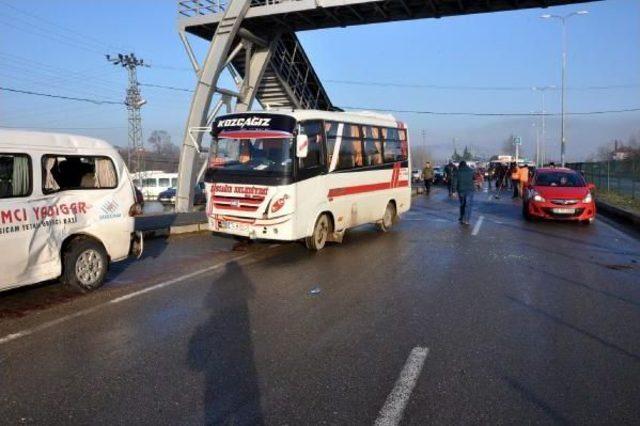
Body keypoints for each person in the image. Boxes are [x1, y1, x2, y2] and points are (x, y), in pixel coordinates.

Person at [456, 161, 475, 225]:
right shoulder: (471, 171)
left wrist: (453, 191)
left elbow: (455, 181)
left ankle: (462, 217)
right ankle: (466, 220)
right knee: (468, 205)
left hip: (461, 190)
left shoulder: (458, 172)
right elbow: (474, 178)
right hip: (470, 190)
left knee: (462, 204)